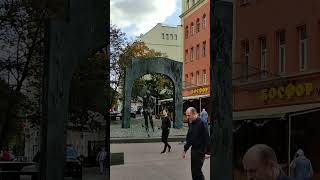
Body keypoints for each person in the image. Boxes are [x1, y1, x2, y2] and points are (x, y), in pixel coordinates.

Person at [182, 107, 210, 180]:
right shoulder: (191, 123)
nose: (187, 118)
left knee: (197, 171)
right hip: (194, 151)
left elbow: (207, 138)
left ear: (194, 114)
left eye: (189, 115)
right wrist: (185, 149)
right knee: (193, 172)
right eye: (187, 115)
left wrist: (207, 152)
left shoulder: (202, 123)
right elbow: (189, 138)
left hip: (200, 151)